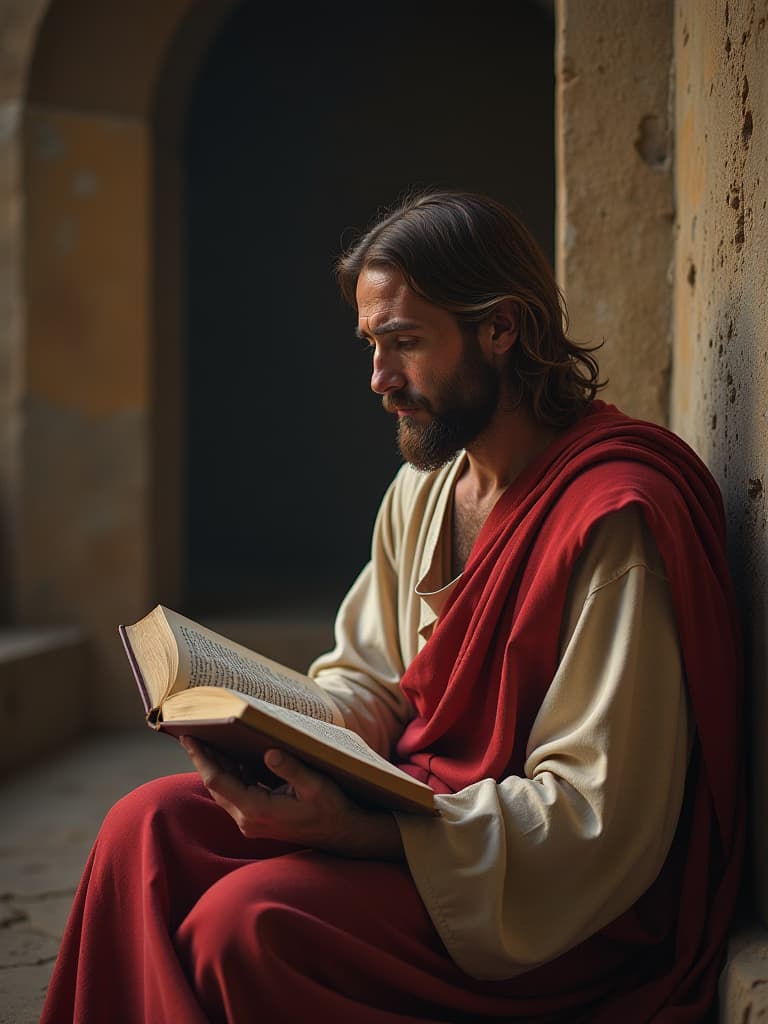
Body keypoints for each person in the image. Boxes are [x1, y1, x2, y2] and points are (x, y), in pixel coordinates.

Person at [40, 189, 744, 1023]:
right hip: (422, 811)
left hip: (540, 898)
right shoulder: (424, 489)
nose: (379, 379)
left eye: (405, 343)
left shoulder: (614, 523)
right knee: (141, 830)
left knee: (247, 926)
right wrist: (279, 736)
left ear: (501, 328)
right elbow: (373, 681)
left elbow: (595, 824)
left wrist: (361, 831)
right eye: (373, 345)